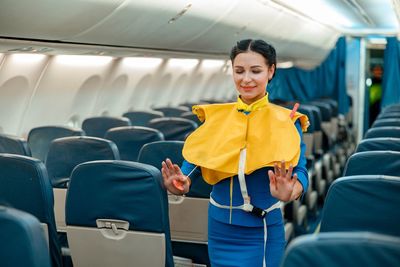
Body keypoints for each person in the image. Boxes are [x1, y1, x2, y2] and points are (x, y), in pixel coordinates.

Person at [161, 39, 309, 267]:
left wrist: (292, 191)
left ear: (271, 71)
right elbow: (197, 162)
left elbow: (300, 170)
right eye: (239, 71)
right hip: (219, 227)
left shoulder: (287, 120)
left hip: (261, 229)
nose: (246, 79)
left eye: (256, 71)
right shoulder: (218, 117)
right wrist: (182, 182)